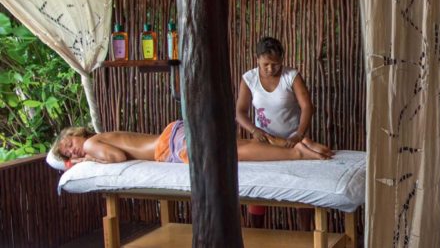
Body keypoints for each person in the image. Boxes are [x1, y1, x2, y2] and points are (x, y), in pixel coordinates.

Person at [235, 36, 330, 230]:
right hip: (264, 142)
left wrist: (298, 134)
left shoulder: (291, 76)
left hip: (291, 141)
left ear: (283, 60)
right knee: (258, 187)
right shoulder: (249, 78)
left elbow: (307, 107)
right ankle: (257, 233)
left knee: (300, 185)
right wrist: (254, 130)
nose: (271, 69)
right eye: (266, 64)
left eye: (276, 64)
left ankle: (305, 233)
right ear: (257, 60)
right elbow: (239, 112)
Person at [48, 120, 333, 169]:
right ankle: (295, 146)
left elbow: (115, 158)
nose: (72, 150)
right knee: (233, 145)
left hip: (168, 146)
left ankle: (297, 153)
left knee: (231, 153)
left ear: (76, 133)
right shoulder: (101, 136)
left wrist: (84, 160)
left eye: (68, 143)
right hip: (172, 136)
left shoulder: (91, 145)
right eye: (67, 154)